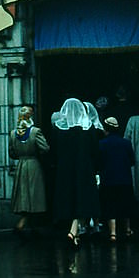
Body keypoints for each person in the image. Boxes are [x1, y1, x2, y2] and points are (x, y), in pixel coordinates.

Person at [51, 98, 100, 248]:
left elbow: (54, 151)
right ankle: (73, 232)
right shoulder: (88, 128)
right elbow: (95, 151)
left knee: (71, 200)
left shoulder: (58, 129)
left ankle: (75, 233)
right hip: (84, 169)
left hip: (65, 170)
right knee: (82, 201)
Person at [9, 105, 50, 235]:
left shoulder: (13, 133)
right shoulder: (35, 131)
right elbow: (45, 148)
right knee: (33, 194)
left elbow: (12, 153)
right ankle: (25, 222)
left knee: (24, 194)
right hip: (33, 164)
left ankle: (29, 225)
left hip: (21, 164)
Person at [98, 116, 136, 242]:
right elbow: (132, 161)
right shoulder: (126, 143)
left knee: (110, 206)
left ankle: (113, 233)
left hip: (108, 180)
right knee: (125, 205)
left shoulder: (101, 144)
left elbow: (99, 162)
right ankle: (127, 229)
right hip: (124, 179)